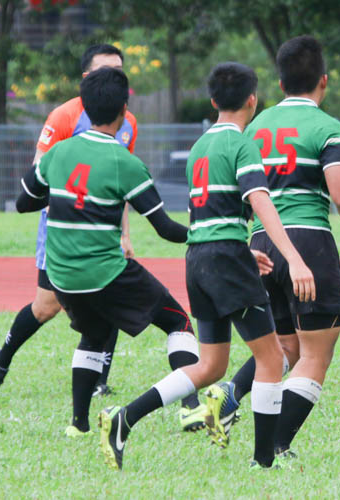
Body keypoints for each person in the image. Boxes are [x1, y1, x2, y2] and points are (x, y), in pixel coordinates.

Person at [98, 62, 315, 471]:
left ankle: (123, 417)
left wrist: (238, 249)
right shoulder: (241, 143)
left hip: (198, 259)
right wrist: (294, 257)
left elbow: (209, 215)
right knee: (272, 359)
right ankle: (263, 462)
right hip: (224, 261)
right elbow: (261, 203)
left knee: (211, 364)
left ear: (213, 101)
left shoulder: (200, 146)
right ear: (253, 100)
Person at [14, 67, 203, 437]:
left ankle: (78, 425)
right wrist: (205, 233)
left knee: (95, 333)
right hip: (105, 273)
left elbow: (24, 202)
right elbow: (165, 228)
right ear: (124, 110)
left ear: (83, 107)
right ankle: (191, 408)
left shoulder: (58, 153)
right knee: (178, 322)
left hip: (61, 276)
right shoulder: (125, 163)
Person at [218, 35, 340, 458]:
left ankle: (230, 394)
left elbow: (239, 190)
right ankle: (275, 447)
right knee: (314, 355)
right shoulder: (327, 127)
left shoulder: (257, 124)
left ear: (281, 82)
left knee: (284, 346)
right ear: (323, 81)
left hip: (260, 243)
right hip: (307, 243)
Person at [0, 44, 135, 404]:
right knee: (47, 306)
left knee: (108, 296)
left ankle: (98, 381)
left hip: (104, 231)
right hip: (62, 230)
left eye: (120, 74)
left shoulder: (128, 122)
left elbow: (121, 181)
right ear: (86, 79)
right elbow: (38, 175)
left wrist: (125, 233)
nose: (114, 80)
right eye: (104, 72)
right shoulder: (64, 116)